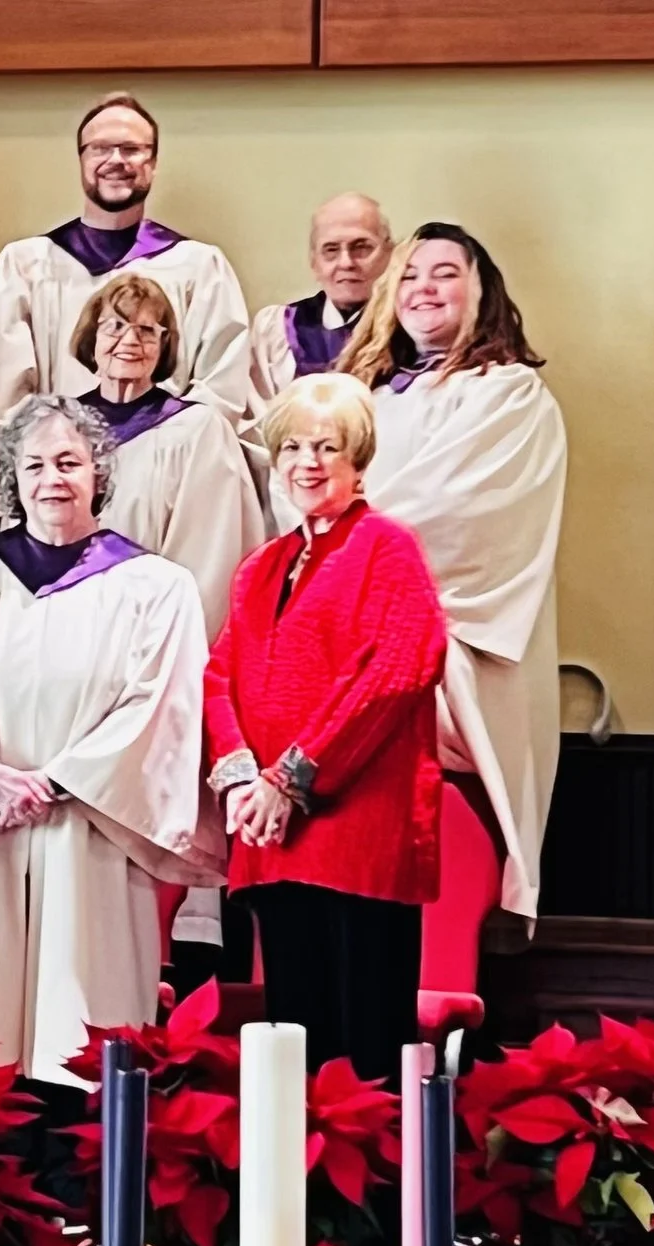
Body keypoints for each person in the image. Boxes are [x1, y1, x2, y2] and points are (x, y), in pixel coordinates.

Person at [0, 394, 219, 1081]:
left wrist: (59, 780)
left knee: (81, 1005)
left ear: (99, 473)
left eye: (69, 462)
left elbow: (160, 705)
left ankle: (79, 1163)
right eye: (35, 464)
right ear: (11, 479)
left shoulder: (154, 586)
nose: (53, 478)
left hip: (89, 821)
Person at [205, 373, 448, 1081]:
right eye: (294, 447)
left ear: (358, 459)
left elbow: (401, 667)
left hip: (359, 836)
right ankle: (296, 1190)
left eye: (328, 447)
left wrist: (292, 776)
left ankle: (371, 1193)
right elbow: (219, 677)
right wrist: (246, 779)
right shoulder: (260, 568)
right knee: (293, 1043)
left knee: (365, 1046)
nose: (308, 463)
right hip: (274, 838)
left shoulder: (387, 547)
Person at [336, 222, 566, 922]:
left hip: (447, 642)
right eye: (409, 275)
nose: (424, 287)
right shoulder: (361, 394)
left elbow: (455, 511)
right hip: (347, 633)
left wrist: (339, 530)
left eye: (444, 272)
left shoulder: (508, 393)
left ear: (481, 290)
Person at [0, 93, 254, 487]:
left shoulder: (199, 267)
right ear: (82, 160)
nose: (116, 160)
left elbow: (220, 388)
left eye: (132, 149)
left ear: (152, 163)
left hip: (163, 484)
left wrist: (164, 458)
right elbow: (3, 397)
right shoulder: (28, 265)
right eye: (101, 148)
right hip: (56, 489)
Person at [51, 274, 268, 639]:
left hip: (151, 636)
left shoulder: (196, 430)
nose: (130, 341)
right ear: (93, 338)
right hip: (64, 630)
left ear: (164, 346)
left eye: (147, 331)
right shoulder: (53, 427)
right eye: (115, 326)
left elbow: (208, 556)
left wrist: (164, 642)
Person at [251, 193, 394, 406]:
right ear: (314, 262)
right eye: (331, 250)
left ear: (389, 253)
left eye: (361, 247)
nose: (346, 263)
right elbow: (261, 423)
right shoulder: (278, 330)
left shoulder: (408, 332)